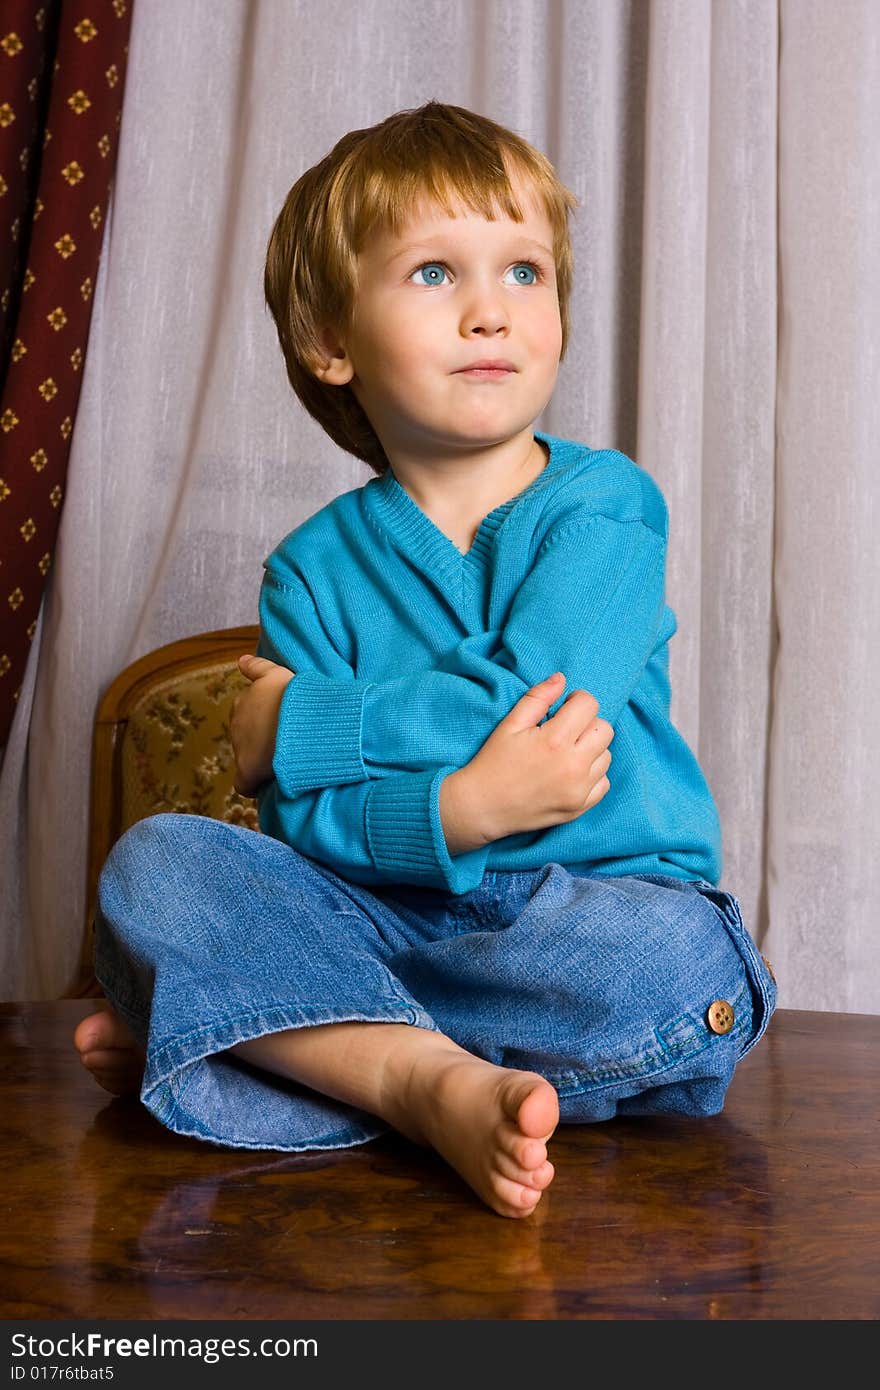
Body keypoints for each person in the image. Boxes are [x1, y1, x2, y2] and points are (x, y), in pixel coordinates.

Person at [74, 101, 776, 1220]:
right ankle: (412, 1077)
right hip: (388, 919)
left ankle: (266, 1039)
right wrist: (456, 810)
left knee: (678, 962)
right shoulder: (308, 569)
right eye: (436, 274)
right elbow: (306, 829)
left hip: (583, 924)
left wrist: (302, 726)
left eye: (526, 273)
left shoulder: (605, 507)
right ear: (332, 343)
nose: (492, 310)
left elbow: (533, 706)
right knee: (156, 863)